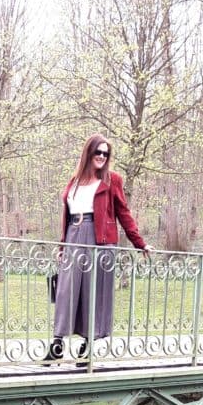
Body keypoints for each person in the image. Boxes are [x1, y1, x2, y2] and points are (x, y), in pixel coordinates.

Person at [43, 133, 149, 363]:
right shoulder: (74, 182)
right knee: (66, 290)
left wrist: (139, 243)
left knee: (93, 291)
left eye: (106, 153)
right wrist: (63, 244)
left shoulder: (112, 181)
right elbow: (68, 215)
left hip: (99, 239)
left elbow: (124, 214)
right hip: (74, 235)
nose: (102, 156)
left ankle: (88, 343)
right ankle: (58, 342)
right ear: (88, 153)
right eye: (98, 152)